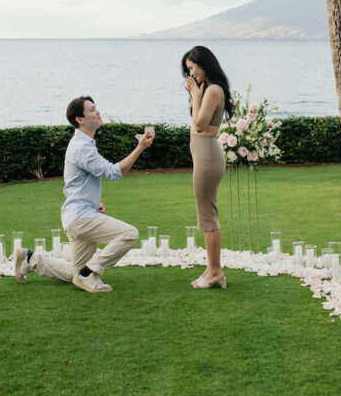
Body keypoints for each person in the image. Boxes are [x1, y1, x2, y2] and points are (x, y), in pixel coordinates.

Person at [14, 95, 155, 293]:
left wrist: (93, 202)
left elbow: (78, 184)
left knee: (75, 273)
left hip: (78, 216)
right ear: (79, 119)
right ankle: (89, 274)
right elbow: (113, 172)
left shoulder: (84, 144)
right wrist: (140, 147)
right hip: (80, 218)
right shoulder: (82, 147)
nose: (98, 112)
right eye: (92, 110)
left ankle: (30, 259)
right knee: (130, 234)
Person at [182, 45, 233, 290]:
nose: (190, 75)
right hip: (204, 156)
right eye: (188, 71)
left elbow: (200, 125)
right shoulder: (210, 90)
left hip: (208, 157)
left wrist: (195, 97)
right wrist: (195, 95)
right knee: (207, 214)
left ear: (204, 64)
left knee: (207, 215)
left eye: (192, 68)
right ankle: (211, 268)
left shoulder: (212, 90)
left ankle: (215, 271)